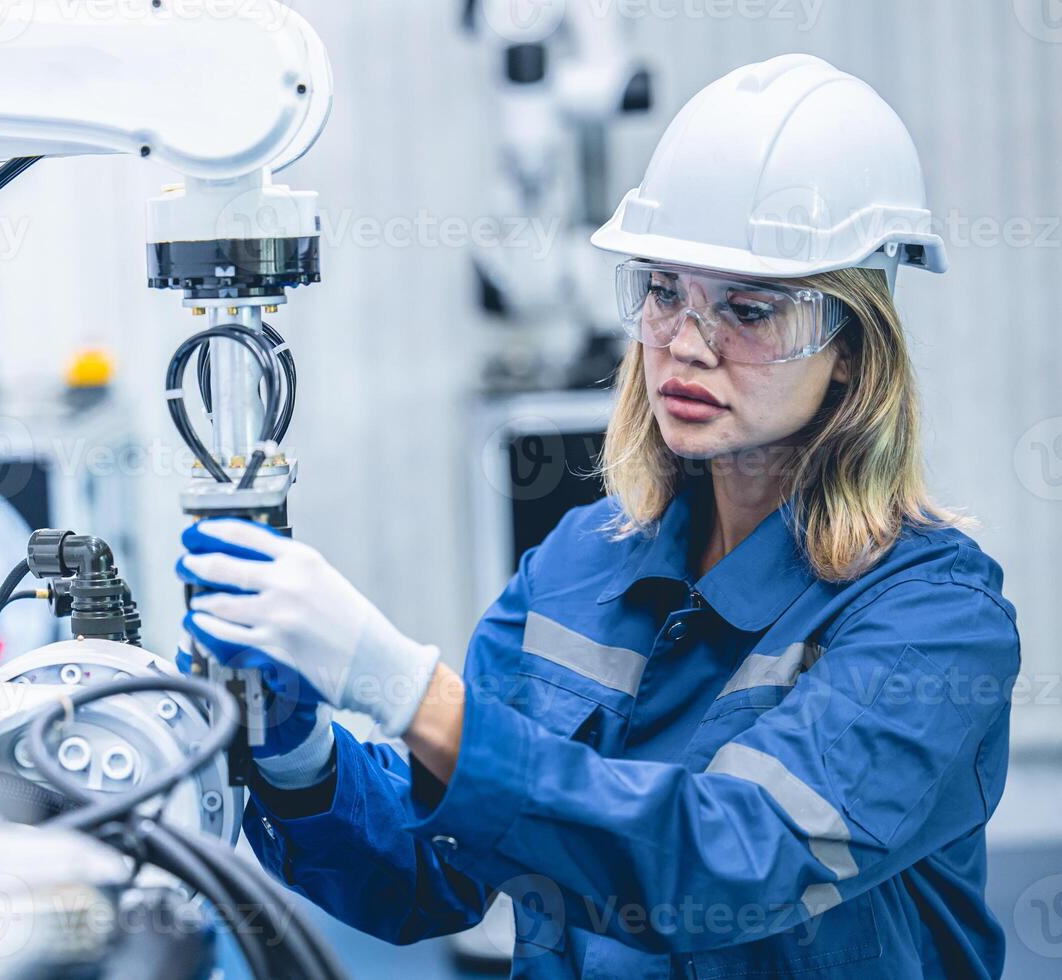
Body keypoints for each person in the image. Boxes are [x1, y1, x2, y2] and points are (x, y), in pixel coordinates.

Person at [175, 55, 1021, 978]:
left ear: (853, 348)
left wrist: (399, 685)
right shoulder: (580, 563)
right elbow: (439, 867)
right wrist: (301, 757)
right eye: (664, 292)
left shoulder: (934, 621)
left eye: (747, 308)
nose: (686, 346)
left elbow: (733, 860)